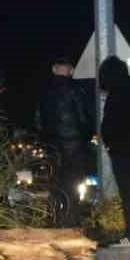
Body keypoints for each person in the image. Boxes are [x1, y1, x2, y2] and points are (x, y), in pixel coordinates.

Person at [98, 57, 130, 247]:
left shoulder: (115, 96)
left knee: (127, 192)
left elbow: (108, 126)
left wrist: (110, 144)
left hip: (121, 150)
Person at [36, 59, 94, 220]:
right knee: (74, 181)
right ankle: (71, 217)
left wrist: (45, 138)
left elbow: (38, 119)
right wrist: (87, 136)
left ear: (54, 70)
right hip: (74, 143)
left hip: (52, 144)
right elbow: (83, 117)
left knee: (55, 180)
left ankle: (56, 215)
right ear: (71, 70)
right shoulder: (76, 90)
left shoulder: (44, 90)